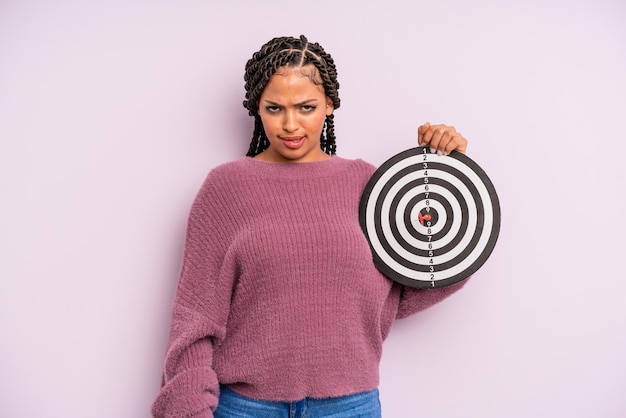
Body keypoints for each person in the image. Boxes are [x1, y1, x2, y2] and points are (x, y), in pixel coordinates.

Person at [152, 35, 469, 418]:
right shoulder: (226, 189)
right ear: (256, 109)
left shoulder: (368, 184)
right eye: (274, 108)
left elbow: (408, 289)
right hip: (245, 408)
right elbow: (195, 318)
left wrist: (450, 174)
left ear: (330, 105)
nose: (290, 124)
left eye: (306, 107)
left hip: (350, 407)